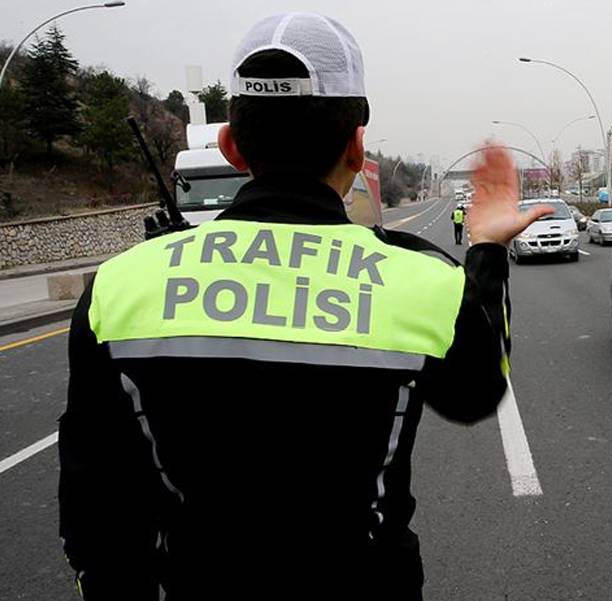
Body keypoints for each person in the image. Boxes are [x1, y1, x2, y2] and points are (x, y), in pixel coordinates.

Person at [58, 13, 551, 600]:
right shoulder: (426, 282)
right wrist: (488, 250)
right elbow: (474, 394)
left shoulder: (119, 286)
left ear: (231, 146)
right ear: (355, 144)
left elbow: (96, 503)